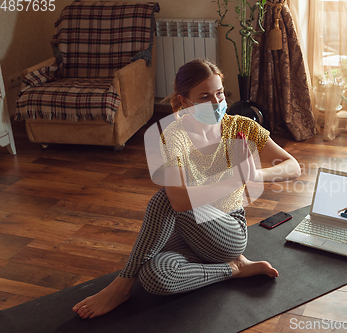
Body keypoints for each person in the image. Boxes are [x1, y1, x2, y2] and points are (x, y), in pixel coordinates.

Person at [72, 59, 301, 319]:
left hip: (226, 232)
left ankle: (121, 285)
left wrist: (253, 175)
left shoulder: (242, 126)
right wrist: (234, 178)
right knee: (153, 278)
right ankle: (234, 269)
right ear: (185, 102)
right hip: (186, 233)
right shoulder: (174, 135)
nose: (216, 103)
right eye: (204, 97)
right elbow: (180, 201)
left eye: (219, 93)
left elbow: (292, 167)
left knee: (163, 200)